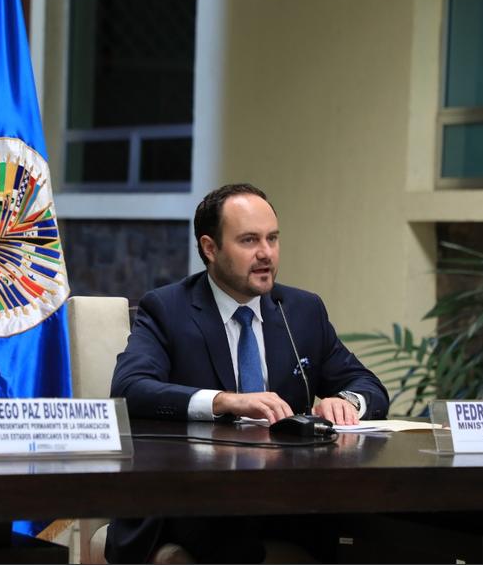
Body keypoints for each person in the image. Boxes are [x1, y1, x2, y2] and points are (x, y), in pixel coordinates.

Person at [106, 183, 390, 563]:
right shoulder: (168, 309)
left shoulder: (301, 310)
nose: (266, 254)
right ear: (210, 248)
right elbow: (130, 389)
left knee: (378, 521)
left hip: (285, 495)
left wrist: (347, 401)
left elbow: (368, 385)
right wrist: (225, 401)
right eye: (249, 240)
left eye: (272, 239)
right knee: (229, 523)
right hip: (191, 495)